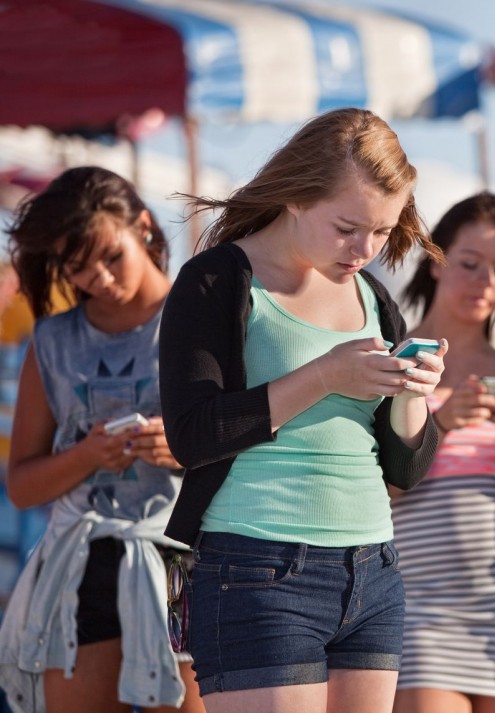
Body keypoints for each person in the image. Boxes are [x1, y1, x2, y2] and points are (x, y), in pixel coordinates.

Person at [157, 107, 446, 713]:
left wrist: (414, 391)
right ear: (294, 196)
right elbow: (192, 435)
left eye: (383, 231)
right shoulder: (216, 280)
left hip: (374, 569)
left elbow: (405, 470)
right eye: (348, 226)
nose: (364, 249)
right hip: (253, 564)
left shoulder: (373, 295)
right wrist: (326, 375)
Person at [0, 166, 204, 712]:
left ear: (142, 225)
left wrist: (186, 450)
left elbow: (264, 441)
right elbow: (21, 486)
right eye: (78, 268)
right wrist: (86, 456)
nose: (101, 279)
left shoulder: (205, 315)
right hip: (79, 568)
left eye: (111, 257)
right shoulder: (53, 340)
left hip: (189, 560)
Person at [390, 192, 495, 713]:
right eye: (469, 264)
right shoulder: (391, 360)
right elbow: (378, 489)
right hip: (414, 604)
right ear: (435, 261)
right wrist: (440, 423)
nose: (485, 283)